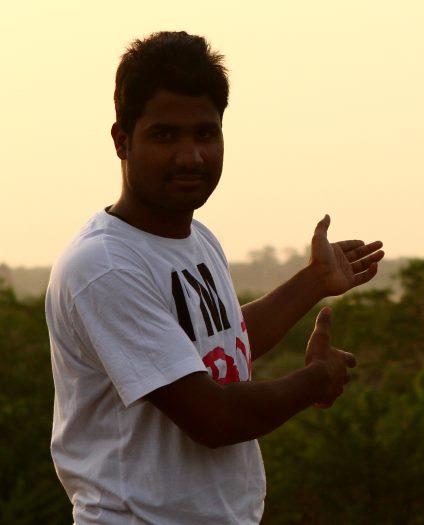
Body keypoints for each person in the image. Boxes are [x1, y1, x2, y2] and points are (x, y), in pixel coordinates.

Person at [44, 31, 384, 524]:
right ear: (121, 139)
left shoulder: (197, 238)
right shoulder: (105, 265)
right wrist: (314, 381)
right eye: (165, 135)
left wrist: (311, 283)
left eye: (205, 133)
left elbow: (220, 344)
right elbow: (213, 416)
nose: (191, 157)